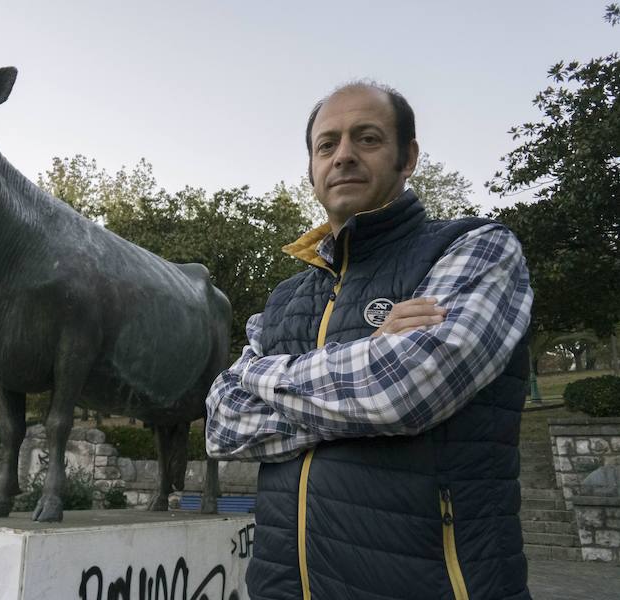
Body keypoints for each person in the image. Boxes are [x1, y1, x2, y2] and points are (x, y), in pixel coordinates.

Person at [205, 82, 533, 600]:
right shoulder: (282, 300)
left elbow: (400, 391)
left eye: (368, 138)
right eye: (327, 144)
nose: (344, 156)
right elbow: (222, 424)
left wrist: (253, 376)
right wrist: (370, 360)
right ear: (311, 168)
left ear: (409, 157)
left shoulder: (475, 248)